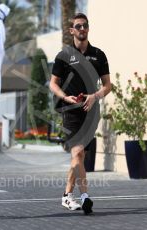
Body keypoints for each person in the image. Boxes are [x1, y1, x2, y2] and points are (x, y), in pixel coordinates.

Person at [49, 13, 112, 215]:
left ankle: (67, 195)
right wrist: (65, 97)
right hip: (70, 111)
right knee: (77, 153)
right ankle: (85, 197)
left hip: (90, 112)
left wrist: (95, 96)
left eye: (85, 25)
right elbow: (53, 84)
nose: (82, 28)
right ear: (72, 30)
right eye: (78, 26)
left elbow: (108, 85)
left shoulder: (99, 55)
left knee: (79, 156)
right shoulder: (64, 55)